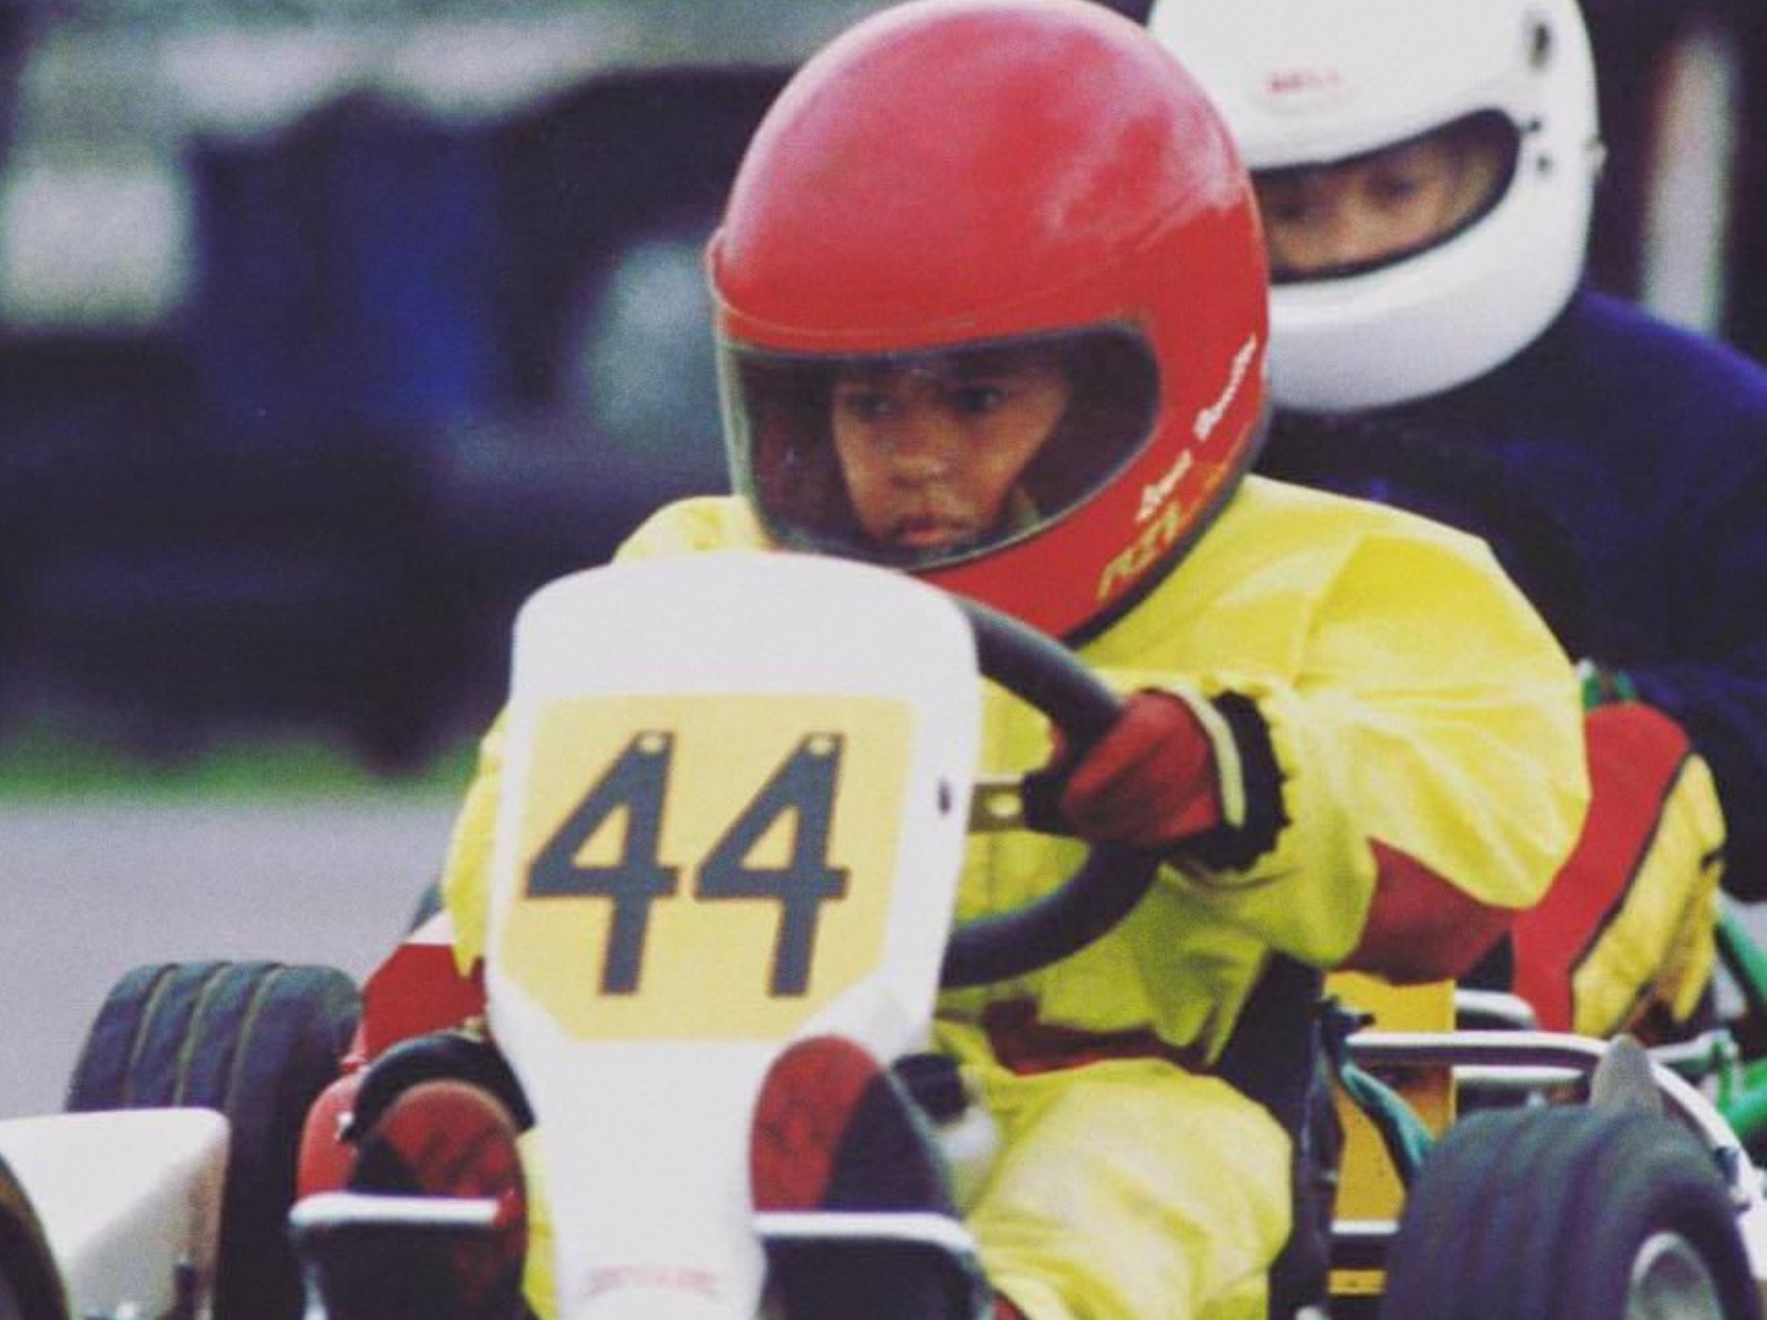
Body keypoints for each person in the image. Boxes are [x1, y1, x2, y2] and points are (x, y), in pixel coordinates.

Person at [410, 2, 1587, 1317]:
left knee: (1136, 1182)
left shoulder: (1346, 579)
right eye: (868, 402)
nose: (913, 456)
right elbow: (530, 829)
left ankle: (985, 1303)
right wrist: (479, 945)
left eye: (974, 401)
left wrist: (1228, 768)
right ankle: (454, 1250)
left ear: (1125, 383)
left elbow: (1479, 821)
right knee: (602, 1162)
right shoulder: (702, 574)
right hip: (763, 1089)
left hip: (1147, 1079)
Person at [1151, 0, 1766, 1039]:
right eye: (1291, 206)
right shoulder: (1151, 421)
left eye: (1394, 189)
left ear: (1519, 143)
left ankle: (1451, 1089)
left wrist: (1535, 717)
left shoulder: (1706, 424)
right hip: (1210, 916)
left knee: (1631, 752)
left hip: (1573, 979)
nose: (1346, 239)